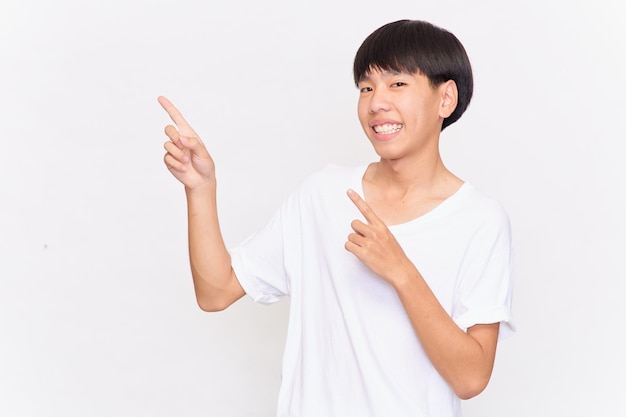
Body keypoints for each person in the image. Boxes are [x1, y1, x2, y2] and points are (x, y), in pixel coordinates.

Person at [159, 19, 514, 417]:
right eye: (366, 87)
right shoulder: (322, 195)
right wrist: (200, 188)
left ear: (445, 98)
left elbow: (471, 378)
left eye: (397, 84)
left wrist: (401, 271)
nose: (376, 102)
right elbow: (216, 291)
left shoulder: (479, 220)